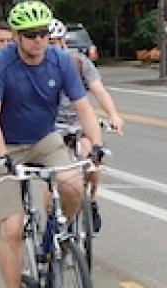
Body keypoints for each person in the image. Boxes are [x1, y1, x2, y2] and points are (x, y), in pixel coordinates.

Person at [0, 1, 105, 288]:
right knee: (13, 228)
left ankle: (56, 237)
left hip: (44, 139)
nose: (39, 42)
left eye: (44, 35)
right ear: (18, 37)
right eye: (32, 36)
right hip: (7, 144)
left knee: (73, 184)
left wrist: (96, 143)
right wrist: (2, 156)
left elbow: (83, 107)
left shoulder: (61, 61)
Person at [49, 18, 124, 232]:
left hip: (77, 123)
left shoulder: (79, 62)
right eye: (49, 42)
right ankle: (52, 221)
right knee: (54, 177)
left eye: (56, 42)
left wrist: (113, 115)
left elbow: (98, 90)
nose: (52, 47)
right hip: (52, 126)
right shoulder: (39, 66)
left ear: (63, 41)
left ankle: (90, 199)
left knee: (91, 157)